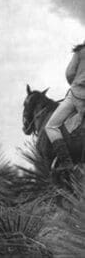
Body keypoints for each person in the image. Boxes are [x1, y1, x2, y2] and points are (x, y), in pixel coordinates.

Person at [45, 41, 85, 170]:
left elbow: (70, 74)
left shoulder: (80, 51)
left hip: (76, 94)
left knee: (51, 126)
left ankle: (66, 161)